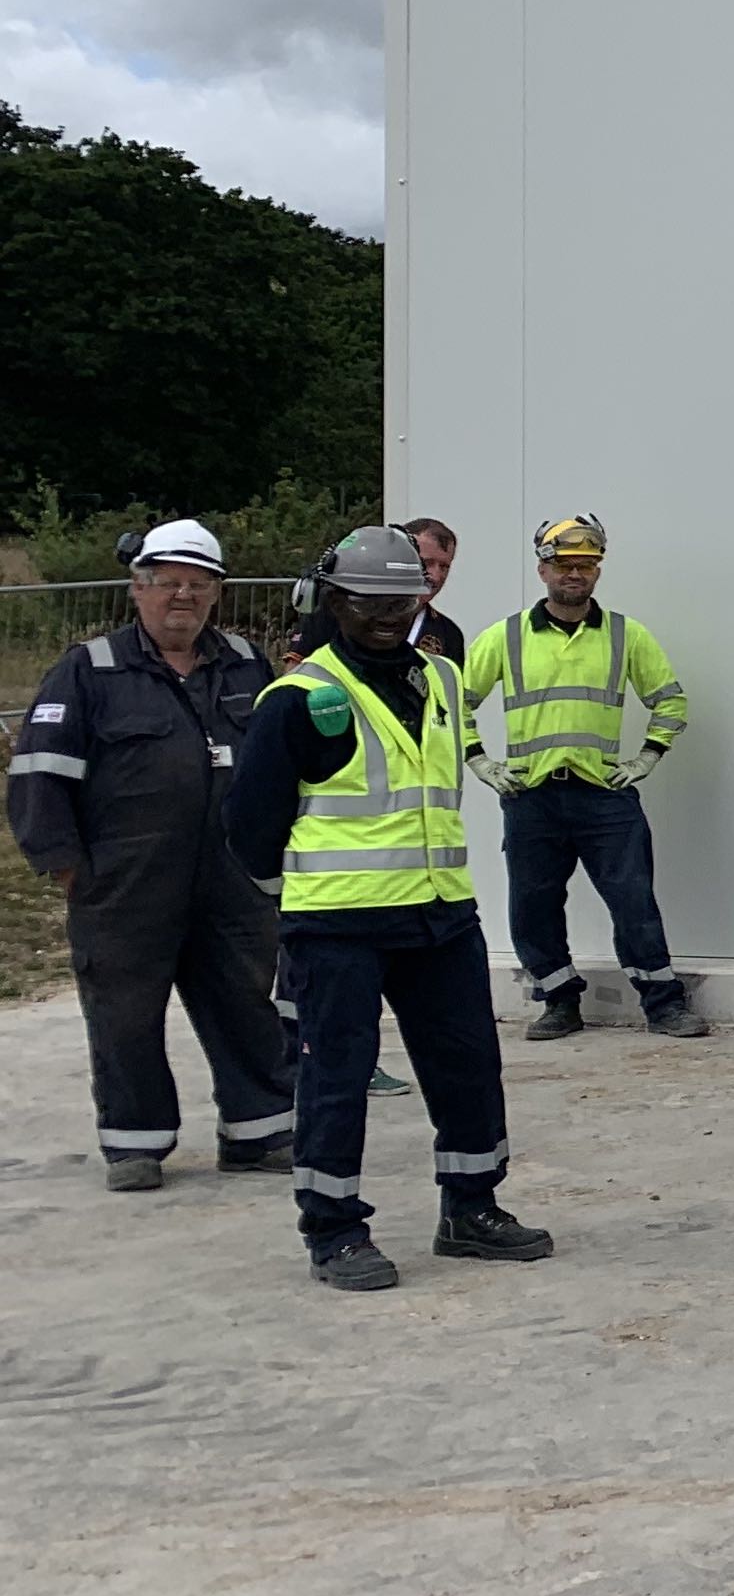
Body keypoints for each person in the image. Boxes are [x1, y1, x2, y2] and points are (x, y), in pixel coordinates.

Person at [224, 524, 553, 1292]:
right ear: (334, 602)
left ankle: (470, 1208)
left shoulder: (441, 680)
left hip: (440, 914)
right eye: (366, 601)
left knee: (469, 1067)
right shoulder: (300, 698)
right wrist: (294, 902)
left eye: (399, 601)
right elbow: (248, 826)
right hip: (338, 925)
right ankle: (334, 1232)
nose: (384, 615)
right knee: (336, 1080)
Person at [9, 519, 294, 1190]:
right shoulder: (90, 670)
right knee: (126, 1015)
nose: (182, 597)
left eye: (198, 584)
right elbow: (40, 774)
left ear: (217, 592)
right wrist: (69, 868)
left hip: (233, 879)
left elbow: (281, 767)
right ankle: (134, 1144)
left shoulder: (247, 664)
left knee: (247, 1002)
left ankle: (259, 1132)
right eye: (167, 582)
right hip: (125, 882)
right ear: (138, 590)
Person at [460, 513, 700, 1040]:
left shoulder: (625, 635)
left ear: (598, 571)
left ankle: (663, 1004)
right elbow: (453, 704)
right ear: (542, 570)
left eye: (586, 565)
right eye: (564, 564)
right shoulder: (506, 637)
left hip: (603, 795)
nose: (575, 573)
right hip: (531, 795)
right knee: (534, 905)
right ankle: (559, 1001)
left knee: (634, 902)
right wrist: (480, 762)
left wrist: (646, 759)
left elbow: (670, 701)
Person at [400, 516, 466, 668]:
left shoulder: (450, 635)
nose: (436, 576)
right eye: (426, 563)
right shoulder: (358, 615)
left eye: (444, 567)